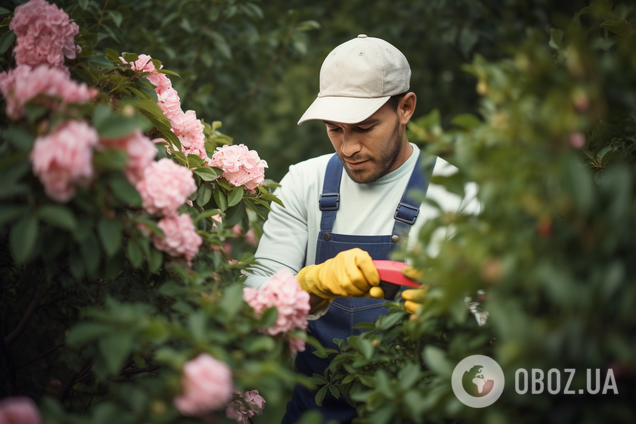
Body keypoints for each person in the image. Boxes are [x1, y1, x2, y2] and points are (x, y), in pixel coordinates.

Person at [244, 34, 477, 424]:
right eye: (335, 129)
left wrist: (456, 317)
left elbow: (489, 325)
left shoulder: (456, 195)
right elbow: (253, 299)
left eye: (365, 127)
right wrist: (308, 285)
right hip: (313, 414)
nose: (348, 147)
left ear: (405, 108)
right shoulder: (305, 182)